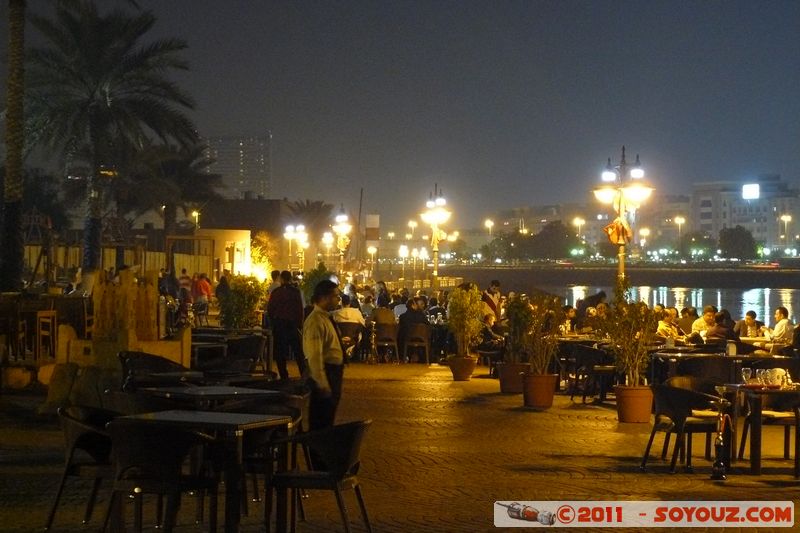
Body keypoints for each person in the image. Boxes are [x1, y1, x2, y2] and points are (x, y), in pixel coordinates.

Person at [303, 279, 345, 430]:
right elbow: (314, 356)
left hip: (333, 373)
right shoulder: (315, 321)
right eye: (336, 296)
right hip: (326, 373)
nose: (338, 300)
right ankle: (318, 452)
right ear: (325, 297)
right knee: (321, 421)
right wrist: (322, 383)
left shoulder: (326, 317)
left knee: (328, 419)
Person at [267, 271, 306, 380]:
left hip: (279, 324)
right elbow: (300, 309)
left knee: (280, 352)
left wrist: (273, 322)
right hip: (292, 324)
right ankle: (303, 373)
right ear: (290, 279)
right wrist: (300, 324)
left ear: (281, 279)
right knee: (298, 351)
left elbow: (270, 308)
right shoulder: (295, 292)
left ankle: (284, 375)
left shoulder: (276, 292)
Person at [397, 297, 429, 361]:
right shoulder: (421, 316)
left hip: (407, 339)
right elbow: (428, 325)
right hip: (421, 339)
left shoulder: (403, 316)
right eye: (416, 304)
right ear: (413, 305)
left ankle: (401, 357)